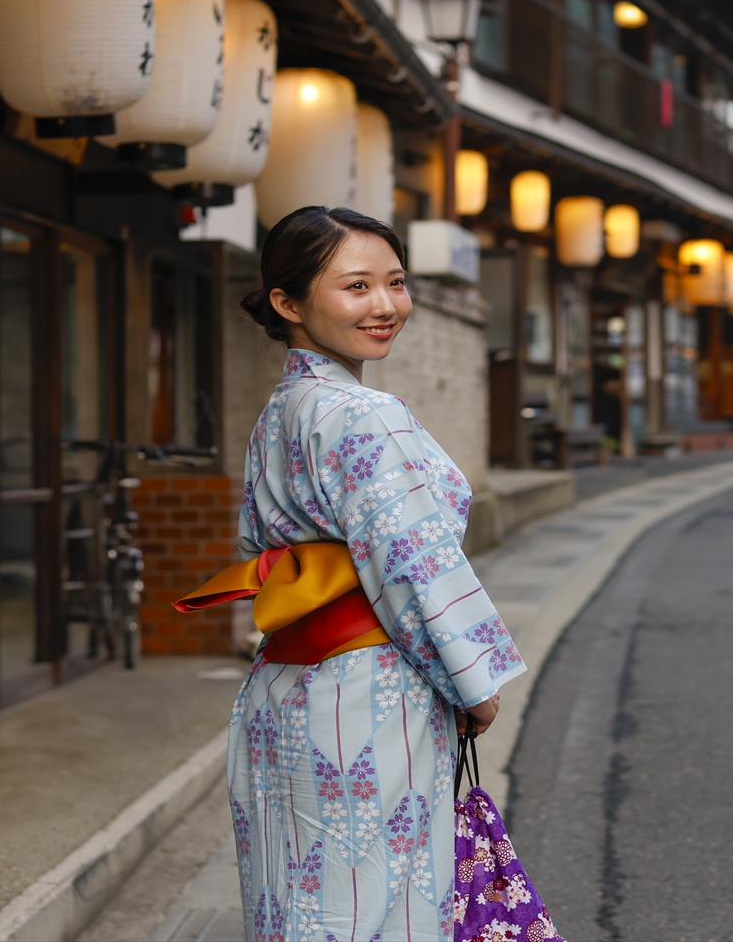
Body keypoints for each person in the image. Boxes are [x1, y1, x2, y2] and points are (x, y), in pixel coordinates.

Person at [219, 206, 522, 940]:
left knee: (299, 901)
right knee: (375, 906)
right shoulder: (363, 413)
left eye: (396, 282)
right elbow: (413, 562)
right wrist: (472, 681)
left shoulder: (284, 410)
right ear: (288, 303)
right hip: (367, 692)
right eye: (357, 286)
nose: (385, 305)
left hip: (286, 687)